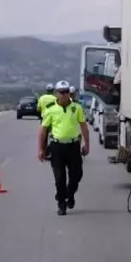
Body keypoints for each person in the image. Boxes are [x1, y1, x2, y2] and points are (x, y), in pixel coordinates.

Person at [39, 80, 90, 215]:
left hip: (73, 146)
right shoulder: (50, 109)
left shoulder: (77, 107)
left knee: (77, 175)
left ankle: (70, 193)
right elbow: (43, 130)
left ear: (69, 93)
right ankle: (61, 204)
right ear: (56, 93)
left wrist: (87, 144)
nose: (64, 95)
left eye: (66, 92)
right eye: (61, 92)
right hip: (57, 147)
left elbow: (84, 126)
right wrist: (41, 149)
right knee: (59, 178)